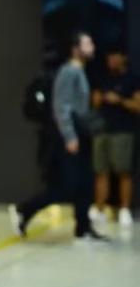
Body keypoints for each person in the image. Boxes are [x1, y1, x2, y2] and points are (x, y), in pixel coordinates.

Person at [9, 31, 107, 240]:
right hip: (68, 138)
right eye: (87, 43)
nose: (92, 46)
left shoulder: (80, 71)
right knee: (66, 186)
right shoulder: (69, 72)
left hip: (81, 136)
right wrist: (70, 136)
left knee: (84, 184)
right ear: (76, 48)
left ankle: (83, 228)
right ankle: (25, 209)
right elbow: (60, 106)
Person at [88, 49, 140, 226]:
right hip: (102, 130)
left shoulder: (132, 79)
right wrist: (100, 98)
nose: (111, 60)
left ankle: (125, 209)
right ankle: (100, 208)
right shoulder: (102, 78)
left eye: (115, 57)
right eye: (108, 57)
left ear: (123, 58)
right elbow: (93, 103)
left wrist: (120, 100)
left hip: (122, 130)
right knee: (101, 171)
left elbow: (137, 105)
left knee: (123, 171)